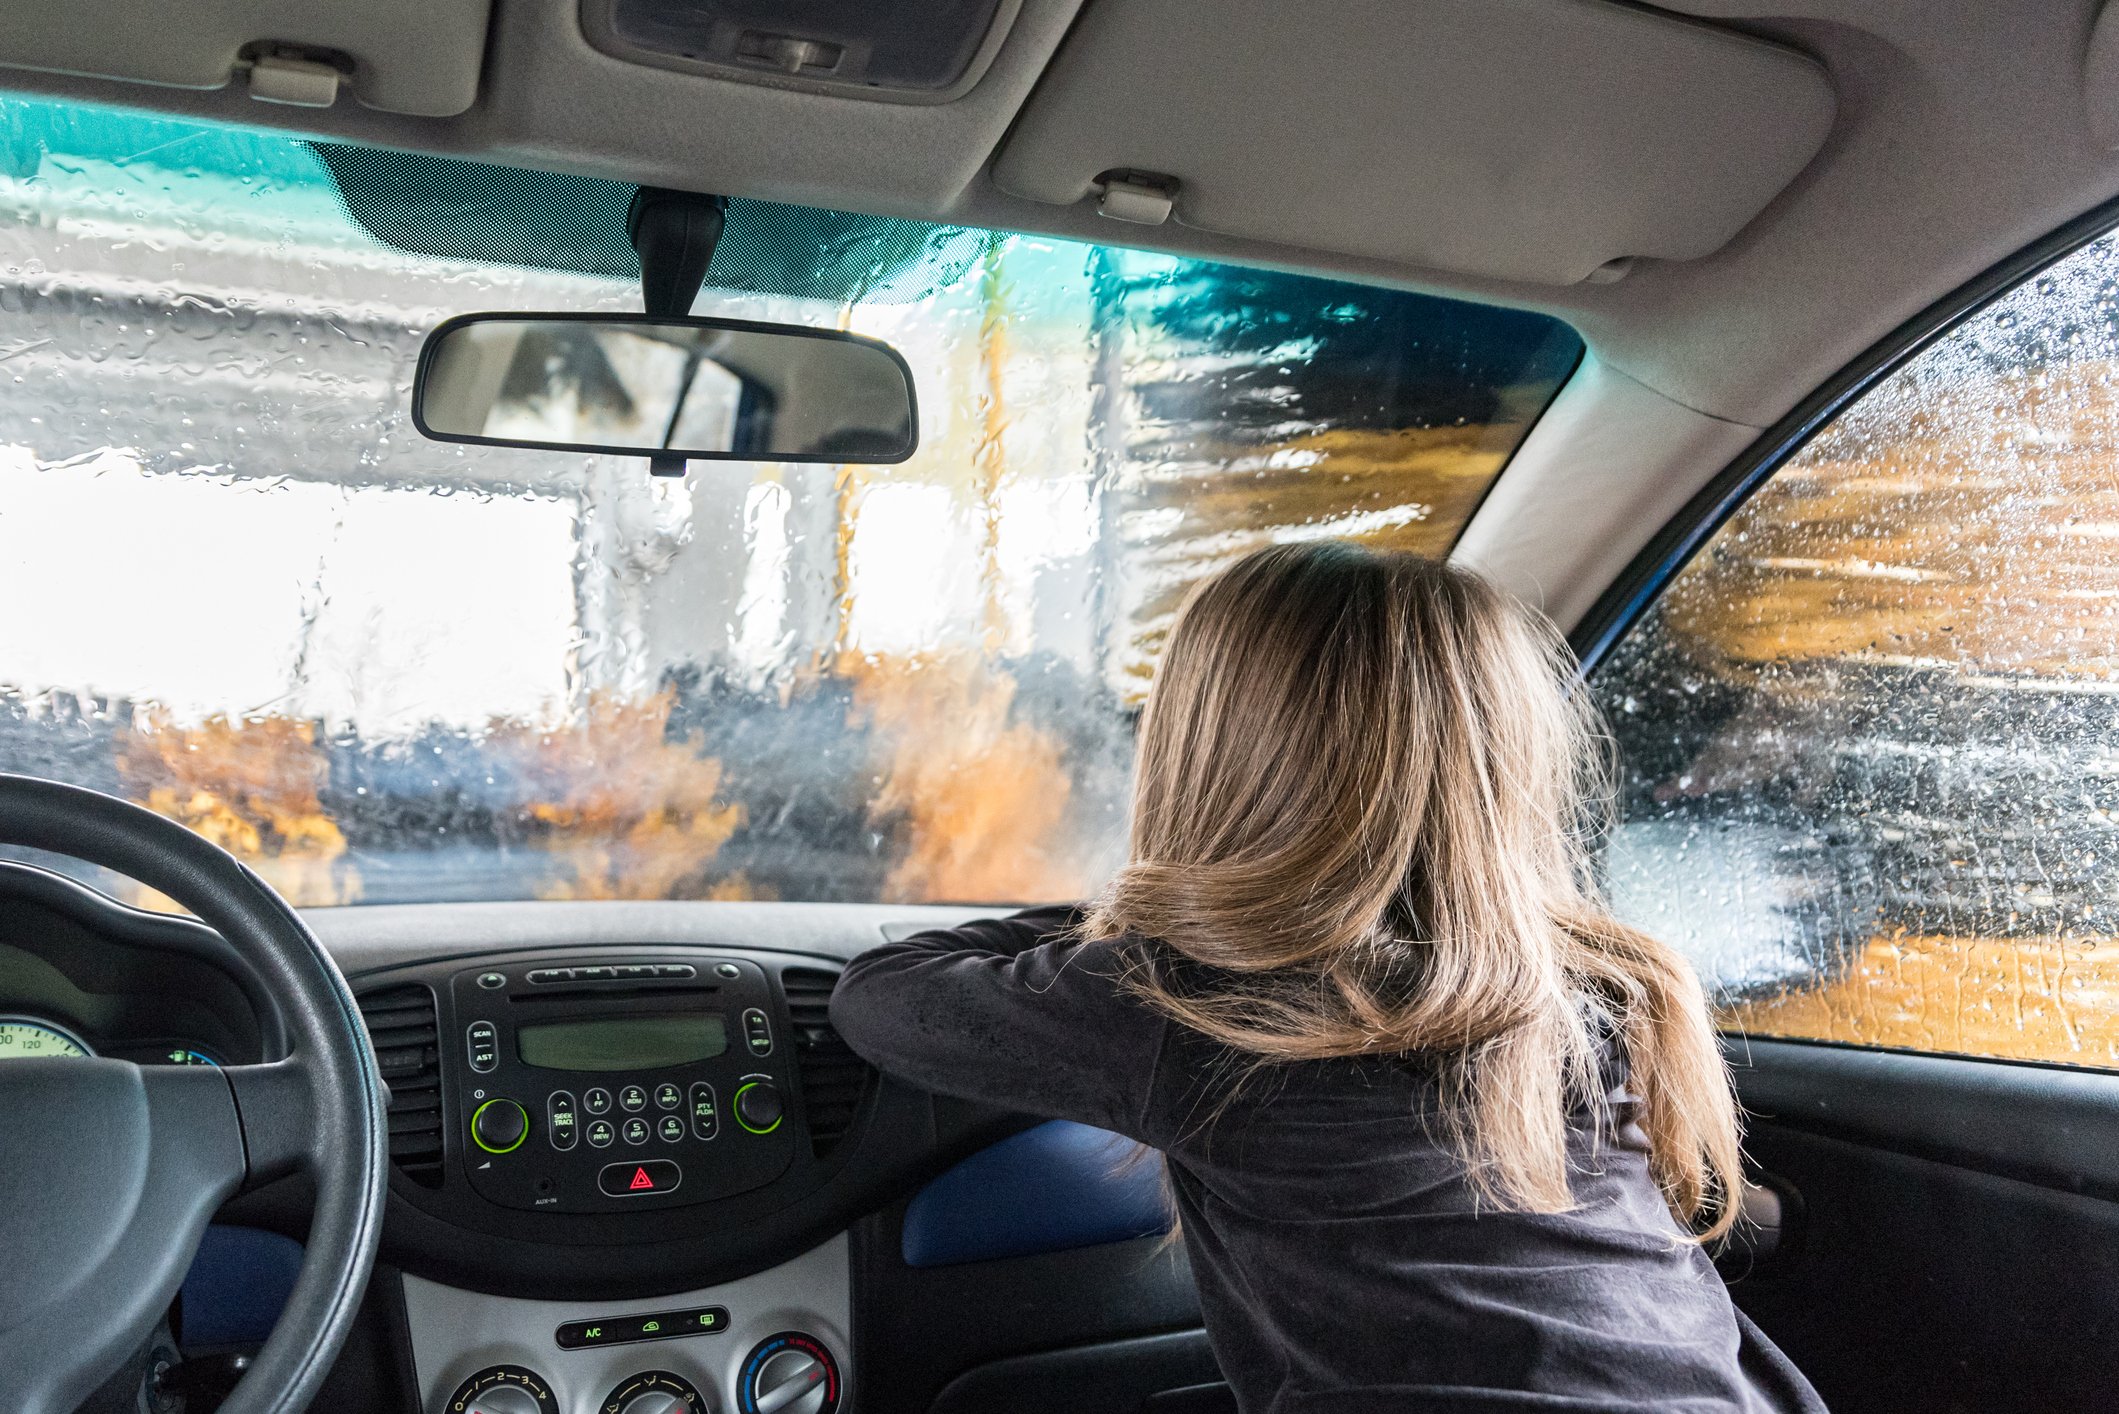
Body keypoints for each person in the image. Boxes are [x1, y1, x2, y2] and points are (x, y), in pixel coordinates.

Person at [829, 541, 1825, 1413]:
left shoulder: (1201, 1003)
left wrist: (1181, 908)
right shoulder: (1590, 987)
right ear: (1505, 761)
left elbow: (885, 996)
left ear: (1212, 755)